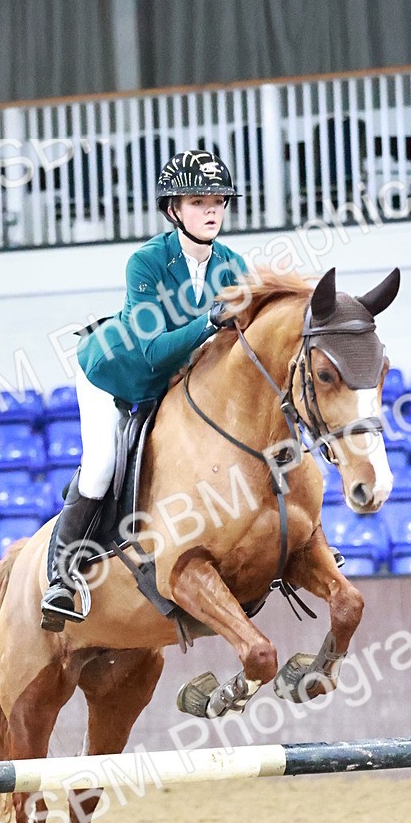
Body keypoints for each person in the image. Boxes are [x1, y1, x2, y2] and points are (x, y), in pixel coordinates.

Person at [41, 149, 249, 630]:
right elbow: (154, 352)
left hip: (169, 385)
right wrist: (207, 322)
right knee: (100, 467)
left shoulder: (232, 264)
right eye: (199, 200)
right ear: (174, 209)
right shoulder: (146, 263)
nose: (213, 209)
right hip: (113, 375)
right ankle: (61, 575)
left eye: (219, 199)